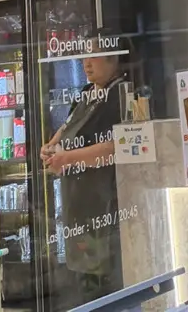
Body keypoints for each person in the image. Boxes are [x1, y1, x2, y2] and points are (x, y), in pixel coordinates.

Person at [41, 52, 129, 305]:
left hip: (104, 206)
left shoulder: (121, 94)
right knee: (83, 286)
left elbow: (117, 146)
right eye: (83, 58)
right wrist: (50, 147)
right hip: (77, 207)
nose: (86, 64)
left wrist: (68, 158)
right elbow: (66, 128)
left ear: (113, 59)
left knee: (105, 288)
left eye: (94, 57)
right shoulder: (87, 92)